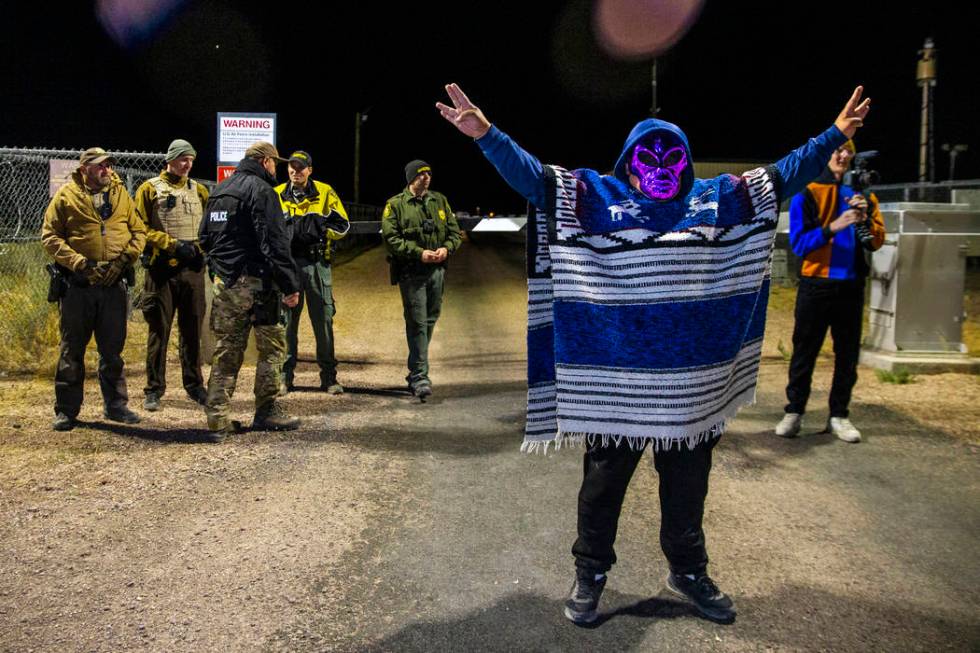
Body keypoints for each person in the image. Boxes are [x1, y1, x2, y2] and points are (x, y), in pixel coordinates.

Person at [436, 82, 870, 625]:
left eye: (673, 157)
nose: (660, 167)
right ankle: (590, 575)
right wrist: (487, 135)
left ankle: (687, 572)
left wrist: (834, 134)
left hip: (689, 395)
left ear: (687, 164)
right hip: (617, 391)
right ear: (627, 163)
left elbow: (782, 175)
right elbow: (535, 178)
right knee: (602, 491)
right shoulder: (596, 198)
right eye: (649, 157)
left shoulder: (716, 200)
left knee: (687, 492)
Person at [774, 140, 885, 443]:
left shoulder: (864, 195)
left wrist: (864, 221)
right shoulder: (806, 193)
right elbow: (799, 244)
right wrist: (833, 227)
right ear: (826, 156)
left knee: (847, 355)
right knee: (804, 352)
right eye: (838, 150)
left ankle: (839, 415)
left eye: (848, 151)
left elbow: (876, 242)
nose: (843, 155)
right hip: (816, 284)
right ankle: (794, 411)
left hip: (851, 284)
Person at [198, 141, 301, 439]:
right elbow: (273, 242)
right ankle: (267, 410)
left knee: (226, 352)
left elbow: (205, 238)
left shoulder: (220, 190)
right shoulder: (261, 190)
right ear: (265, 161)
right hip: (259, 285)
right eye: (275, 163)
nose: (276, 169)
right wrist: (289, 284)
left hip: (226, 285)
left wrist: (222, 271)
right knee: (271, 349)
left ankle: (217, 419)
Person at [41, 147, 147, 431]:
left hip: (113, 284)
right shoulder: (67, 196)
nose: (107, 170)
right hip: (79, 285)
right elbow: (49, 236)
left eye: (109, 165)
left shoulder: (121, 194)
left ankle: (116, 406)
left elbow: (139, 232)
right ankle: (66, 410)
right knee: (72, 348)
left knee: (112, 349)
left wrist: (123, 260)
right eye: (100, 166)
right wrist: (78, 263)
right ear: (85, 168)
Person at [134, 139, 210, 411]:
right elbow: (139, 228)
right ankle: (154, 389)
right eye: (182, 159)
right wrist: (171, 244)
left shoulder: (199, 190)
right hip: (162, 269)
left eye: (191, 159)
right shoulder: (149, 189)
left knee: (192, 329)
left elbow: (208, 229)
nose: (187, 164)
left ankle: (194, 385)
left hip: (192, 271)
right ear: (170, 160)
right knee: (159, 331)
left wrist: (200, 249)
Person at [381, 160, 462, 399]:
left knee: (430, 319)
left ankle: (416, 368)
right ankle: (419, 376)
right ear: (410, 178)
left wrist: (447, 248)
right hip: (411, 272)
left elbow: (454, 232)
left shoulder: (439, 201)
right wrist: (419, 253)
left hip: (437, 272)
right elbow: (391, 239)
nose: (426, 177)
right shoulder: (395, 205)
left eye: (428, 173)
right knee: (417, 322)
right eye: (421, 174)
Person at [274, 150, 350, 394]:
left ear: (310, 170)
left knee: (323, 322)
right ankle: (285, 377)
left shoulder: (325, 192)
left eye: (300, 167)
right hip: (288, 267)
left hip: (316, 265)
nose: (295, 171)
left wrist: (317, 230)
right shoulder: (276, 195)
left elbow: (343, 225)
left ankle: (329, 377)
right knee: (286, 323)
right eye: (292, 167)